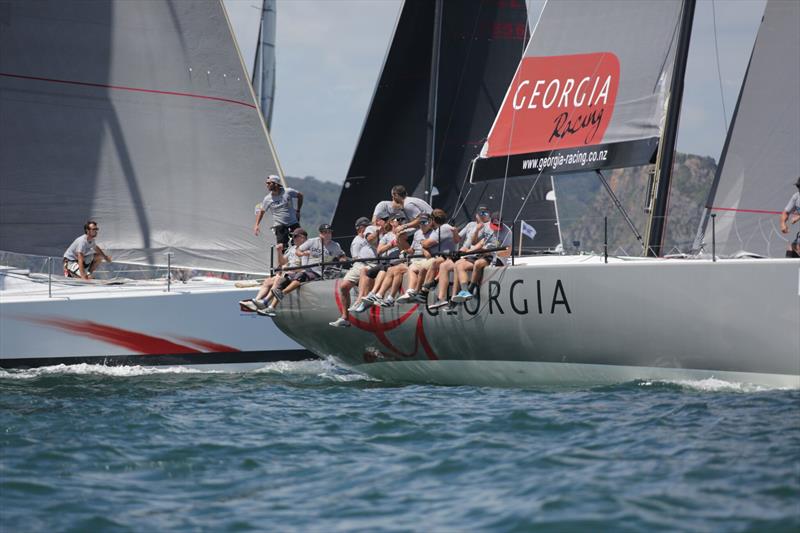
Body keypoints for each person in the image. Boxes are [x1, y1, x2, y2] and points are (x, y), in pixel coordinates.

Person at [260, 223, 346, 317]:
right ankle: (271, 307)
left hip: (318, 272)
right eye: (325, 232)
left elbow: (341, 255)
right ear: (320, 234)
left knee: (301, 276)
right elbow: (298, 251)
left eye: (329, 232)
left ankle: (283, 293)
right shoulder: (312, 241)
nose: (327, 234)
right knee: (285, 279)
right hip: (307, 269)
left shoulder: (335, 245)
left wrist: (342, 259)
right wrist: (303, 254)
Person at [239, 227, 308, 312]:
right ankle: (256, 301)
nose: (293, 238)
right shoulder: (292, 249)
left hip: (297, 273)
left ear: (303, 237)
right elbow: (282, 262)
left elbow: (306, 267)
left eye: (295, 236)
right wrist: (279, 252)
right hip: (289, 272)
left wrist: (288, 269)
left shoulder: (307, 249)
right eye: (292, 236)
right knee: (268, 281)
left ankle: (265, 302)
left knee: (278, 279)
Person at [330, 217, 377, 327]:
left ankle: (362, 300)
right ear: (360, 229)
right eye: (366, 227)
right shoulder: (357, 241)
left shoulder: (373, 237)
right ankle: (345, 317)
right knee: (343, 287)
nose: (369, 229)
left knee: (364, 273)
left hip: (372, 264)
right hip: (360, 264)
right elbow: (356, 259)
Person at [253, 175, 303, 248]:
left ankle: (297, 258)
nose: (267, 185)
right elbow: (262, 211)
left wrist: (298, 210)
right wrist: (256, 225)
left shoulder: (288, 191)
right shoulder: (267, 199)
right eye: (266, 183)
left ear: (275, 183)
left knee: (299, 245)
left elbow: (300, 196)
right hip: (280, 225)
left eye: (268, 183)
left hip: (293, 222)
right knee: (282, 247)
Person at [780, 177, 800, 257]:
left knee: (798, 246)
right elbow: (785, 212)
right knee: (791, 248)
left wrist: (798, 217)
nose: (799, 189)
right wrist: (783, 224)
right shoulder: (796, 197)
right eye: (798, 186)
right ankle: (788, 268)